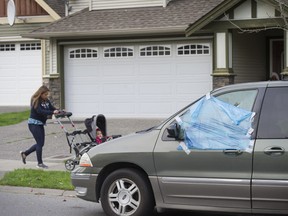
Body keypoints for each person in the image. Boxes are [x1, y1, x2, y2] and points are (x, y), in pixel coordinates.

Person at [20, 85, 59, 168]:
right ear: (40, 94)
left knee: (40, 144)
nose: (47, 96)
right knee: (40, 143)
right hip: (33, 124)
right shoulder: (36, 100)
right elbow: (40, 111)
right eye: (45, 94)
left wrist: (59, 111)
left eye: (47, 94)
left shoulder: (46, 100)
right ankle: (40, 163)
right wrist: (52, 112)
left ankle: (25, 153)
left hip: (40, 123)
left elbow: (52, 108)